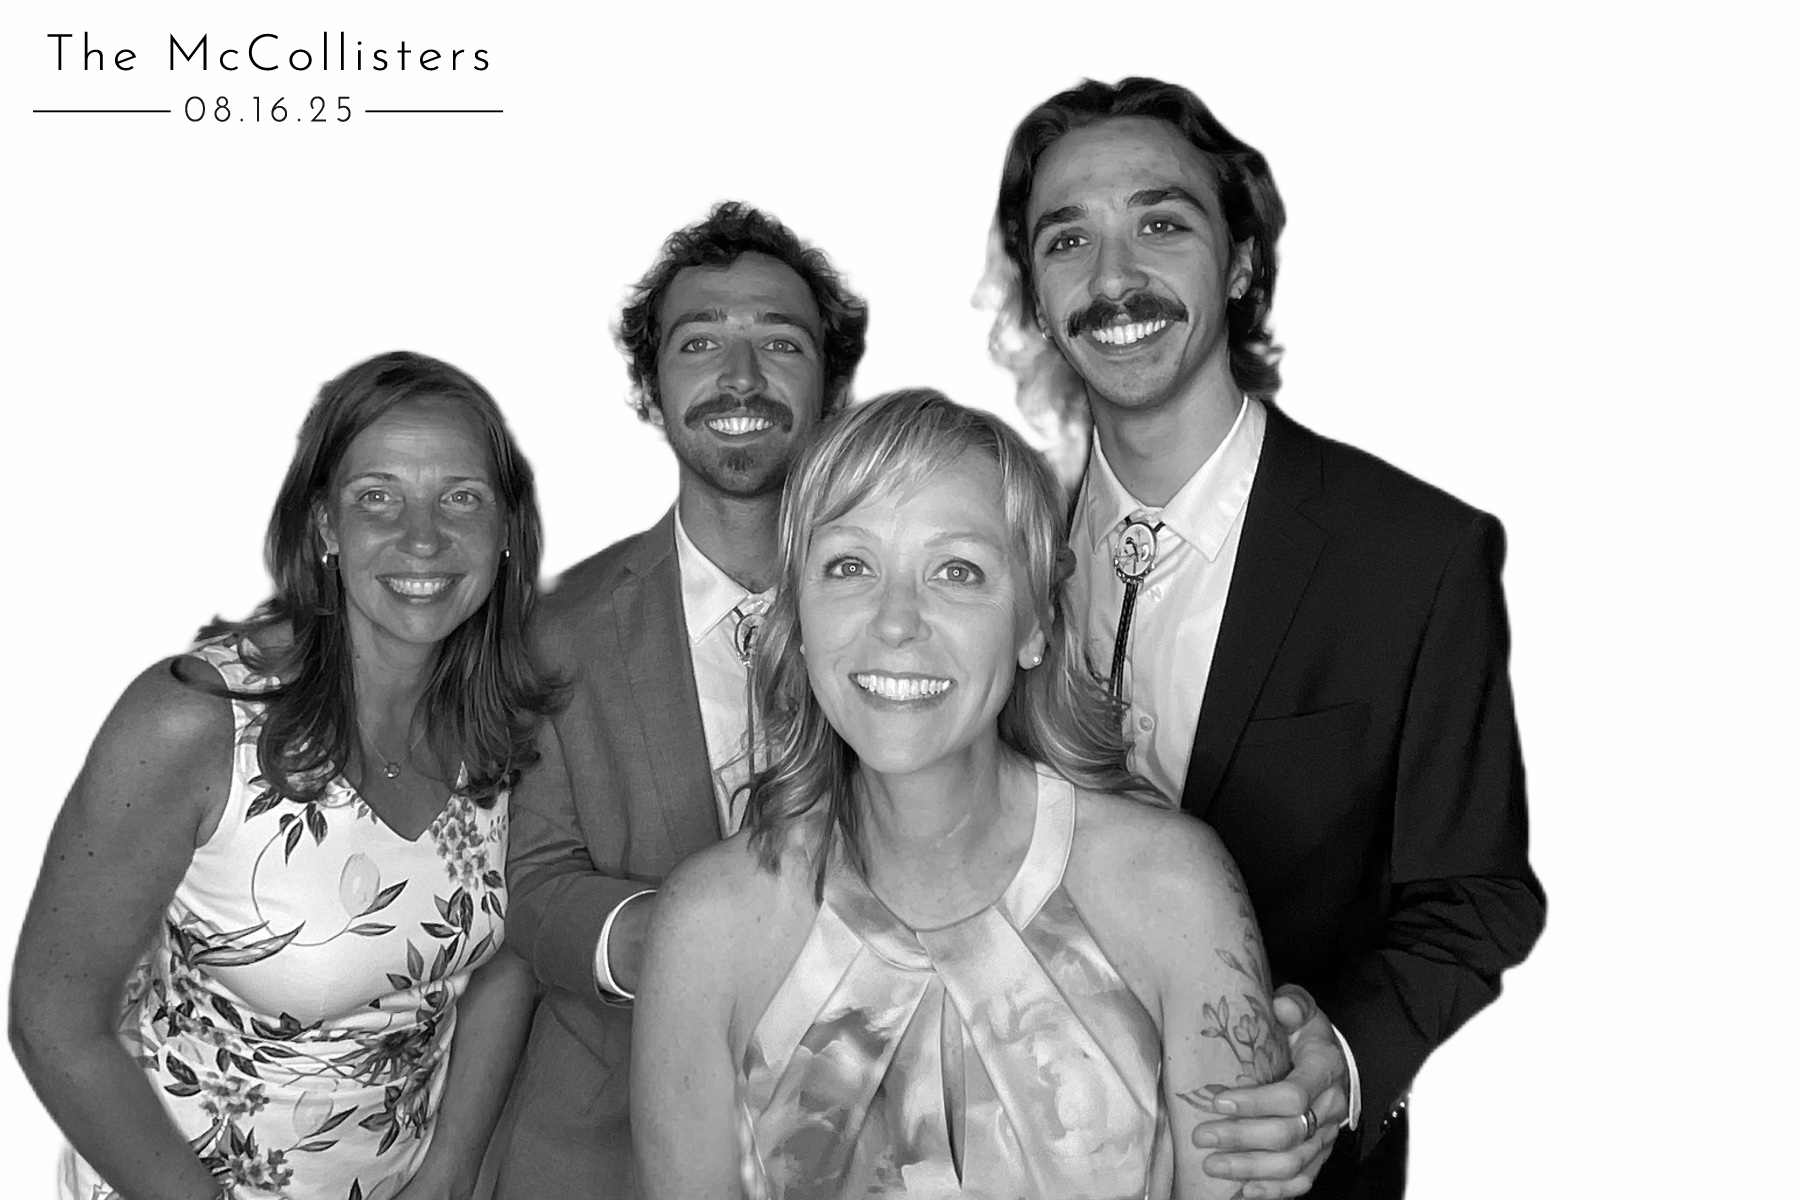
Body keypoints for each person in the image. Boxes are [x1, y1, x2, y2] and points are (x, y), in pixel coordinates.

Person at [985, 77, 1547, 1197]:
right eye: (1068, 240)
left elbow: (1476, 892)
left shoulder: (1415, 556)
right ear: (1037, 299)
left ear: (1240, 263)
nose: (1113, 278)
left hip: (1284, 1168)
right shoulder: (990, 554)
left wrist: (1345, 1059)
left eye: (1161, 224)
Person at [632, 387, 1287, 1199]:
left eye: (957, 571)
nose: (896, 621)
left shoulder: (1172, 887)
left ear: (1034, 624)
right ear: (796, 617)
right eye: (850, 566)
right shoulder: (706, 928)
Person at [10, 351, 555, 1200]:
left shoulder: (503, 721)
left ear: (506, 529)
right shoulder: (194, 724)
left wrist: (448, 1171)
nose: (423, 537)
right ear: (325, 527)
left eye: (461, 497)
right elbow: (53, 1025)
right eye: (377, 497)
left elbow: (502, 958)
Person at [490, 203, 869, 1198]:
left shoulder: (919, 612)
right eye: (700, 343)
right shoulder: (550, 633)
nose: (740, 377)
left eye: (779, 343)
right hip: (604, 1143)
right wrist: (673, 942)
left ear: (833, 386)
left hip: (877, 1132)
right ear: (651, 388)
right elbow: (526, 883)